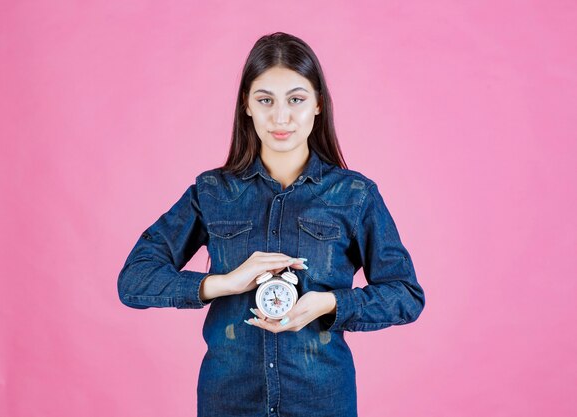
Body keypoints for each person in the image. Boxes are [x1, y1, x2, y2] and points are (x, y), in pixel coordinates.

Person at [117, 31, 425, 417]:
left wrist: (329, 303)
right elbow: (133, 281)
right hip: (227, 401)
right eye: (265, 100)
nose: (281, 117)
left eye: (296, 99)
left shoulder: (355, 195)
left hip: (321, 400)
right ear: (246, 105)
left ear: (318, 105)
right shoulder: (211, 192)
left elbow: (405, 294)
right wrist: (223, 283)